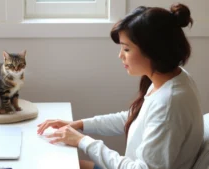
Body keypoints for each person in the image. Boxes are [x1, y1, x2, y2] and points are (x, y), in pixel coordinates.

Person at [37, 3, 204, 169]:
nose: (120, 56)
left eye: (126, 49)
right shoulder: (173, 78)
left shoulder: (169, 103)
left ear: (153, 50)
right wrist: (80, 124)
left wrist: (82, 141)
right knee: (61, 163)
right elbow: (135, 118)